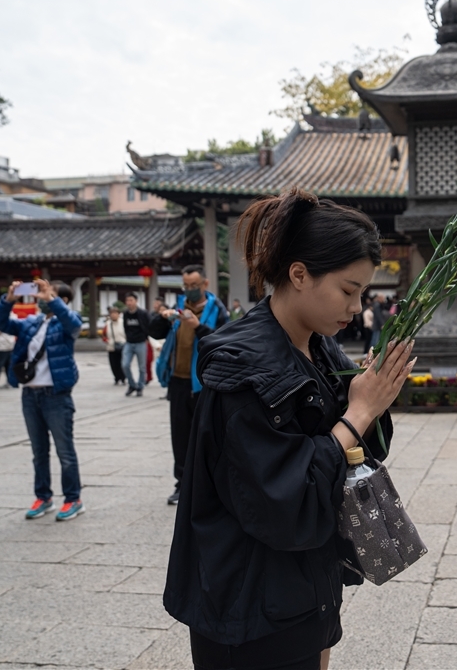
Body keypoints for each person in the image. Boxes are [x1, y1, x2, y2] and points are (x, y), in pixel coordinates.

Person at [165, 187, 414, 670]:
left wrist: (372, 397)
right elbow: (282, 499)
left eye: (362, 292)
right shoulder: (242, 366)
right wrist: (359, 413)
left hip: (302, 590)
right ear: (298, 274)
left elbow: (350, 452)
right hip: (249, 607)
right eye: (347, 289)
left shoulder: (318, 347)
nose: (357, 306)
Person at [0, 280, 85, 521]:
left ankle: (73, 498)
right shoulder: (32, 323)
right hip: (30, 394)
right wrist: (9, 299)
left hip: (56, 396)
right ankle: (43, 497)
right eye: (41, 294)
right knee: (38, 451)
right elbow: (0, 323)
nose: (42, 299)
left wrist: (52, 298)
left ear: (62, 300)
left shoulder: (67, 322)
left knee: (65, 452)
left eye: (49, 295)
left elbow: (74, 325)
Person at [149, 265, 229, 505]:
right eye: (186, 286)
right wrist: (161, 317)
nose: (190, 290)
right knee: (180, 436)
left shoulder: (217, 310)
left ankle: (210, 485)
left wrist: (197, 327)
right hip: (178, 381)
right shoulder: (179, 308)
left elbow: (223, 342)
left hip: (204, 383)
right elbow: (154, 332)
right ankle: (182, 483)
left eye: (194, 285)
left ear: (205, 284)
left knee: (208, 436)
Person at [121, 292, 150, 396]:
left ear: (136, 301)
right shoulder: (125, 314)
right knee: (125, 365)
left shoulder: (143, 313)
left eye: (131, 300)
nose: (129, 303)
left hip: (141, 342)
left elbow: (148, 326)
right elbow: (125, 326)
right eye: (127, 301)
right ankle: (132, 384)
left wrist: (146, 338)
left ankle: (140, 386)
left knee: (142, 367)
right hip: (129, 342)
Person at [101, 306, 127, 385]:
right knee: (113, 363)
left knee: (123, 363)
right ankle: (116, 377)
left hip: (123, 345)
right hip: (112, 346)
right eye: (112, 313)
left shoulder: (123, 322)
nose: (113, 315)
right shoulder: (108, 324)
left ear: (119, 314)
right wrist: (107, 341)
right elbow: (104, 334)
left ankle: (123, 377)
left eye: (115, 313)